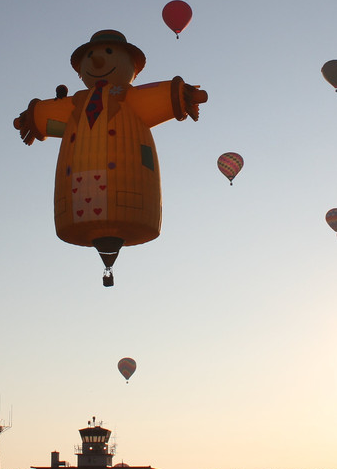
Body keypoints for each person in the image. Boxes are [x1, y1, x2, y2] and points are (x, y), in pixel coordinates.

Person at [14, 29, 208, 281]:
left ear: (132, 66)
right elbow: (48, 118)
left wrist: (184, 94)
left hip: (130, 190)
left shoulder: (133, 98)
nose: (98, 61)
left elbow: (167, 95)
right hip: (75, 191)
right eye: (92, 57)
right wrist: (32, 116)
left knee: (122, 199)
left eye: (108, 53)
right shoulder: (74, 104)